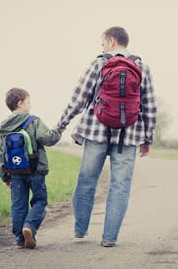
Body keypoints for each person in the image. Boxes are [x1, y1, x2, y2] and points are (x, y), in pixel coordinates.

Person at [56, 26, 157, 247]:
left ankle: (80, 230)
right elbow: (149, 106)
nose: (102, 47)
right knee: (120, 186)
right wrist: (147, 139)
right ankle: (109, 238)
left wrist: (62, 123)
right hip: (129, 135)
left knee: (87, 180)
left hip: (96, 131)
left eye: (102, 43)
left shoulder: (99, 63)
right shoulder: (142, 67)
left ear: (111, 41)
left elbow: (79, 98)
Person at [0, 87, 62, 249]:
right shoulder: (33, 121)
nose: (30, 105)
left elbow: (0, 154)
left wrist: (5, 176)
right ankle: (29, 227)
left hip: (15, 173)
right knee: (40, 201)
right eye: (28, 102)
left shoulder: (5, 127)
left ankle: (20, 240)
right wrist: (58, 130)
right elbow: (47, 138)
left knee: (18, 204)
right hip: (35, 170)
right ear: (20, 103)